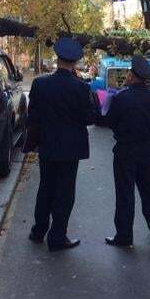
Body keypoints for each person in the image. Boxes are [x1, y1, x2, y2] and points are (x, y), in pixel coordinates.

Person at [27, 37, 96, 252]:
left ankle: (38, 231)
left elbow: (33, 117)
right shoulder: (81, 88)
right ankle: (57, 237)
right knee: (64, 193)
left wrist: (36, 140)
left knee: (45, 188)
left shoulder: (40, 83)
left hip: (47, 145)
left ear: (57, 59)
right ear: (75, 62)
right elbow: (89, 118)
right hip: (70, 149)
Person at [104, 55, 150, 247]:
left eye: (129, 72)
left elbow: (111, 122)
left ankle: (124, 235)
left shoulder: (121, 97)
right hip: (147, 149)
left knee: (125, 193)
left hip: (125, 150)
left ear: (132, 75)